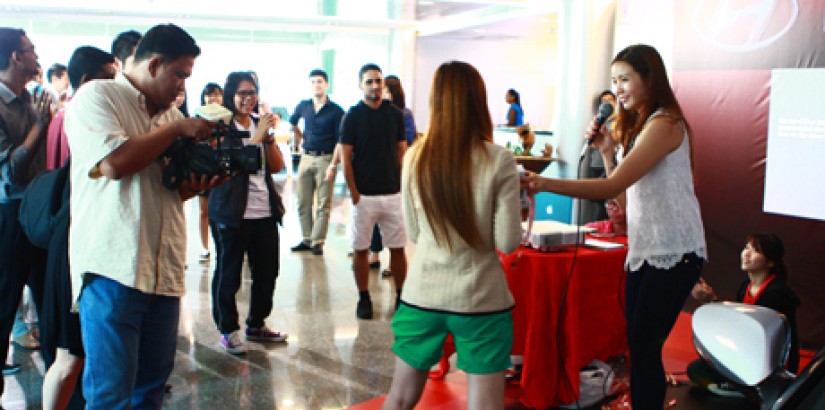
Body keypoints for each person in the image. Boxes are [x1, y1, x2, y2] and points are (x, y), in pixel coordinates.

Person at [524, 44, 708, 410]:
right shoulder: (641, 127)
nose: (618, 88)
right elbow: (622, 201)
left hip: (676, 250)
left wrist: (543, 182)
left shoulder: (665, 124)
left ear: (649, 78)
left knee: (644, 345)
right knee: (639, 346)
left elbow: (609, 187)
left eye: (625, 79)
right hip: (645, 250)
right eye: (614, 80)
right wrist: (608, 153)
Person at [65, 24, 222, 409]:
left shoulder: (170, 114)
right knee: (110, 395)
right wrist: (177, 129)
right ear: (153, 65)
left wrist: (200, 182)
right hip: (114, 270)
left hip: (163, 274)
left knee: (150, 390)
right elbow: (115, 163)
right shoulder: (97, 96)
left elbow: (170, 191)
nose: (183, 85)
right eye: (180, 74)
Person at [382, 60, 521, 410]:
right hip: (481, 299)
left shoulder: (414, 158)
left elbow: (414, 232)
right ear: (479, 101)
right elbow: (507, 242)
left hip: (421, 294)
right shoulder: (498, 159)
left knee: (398, 399)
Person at [40, 45, 117, 410]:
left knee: (75, 354)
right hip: (74, 238)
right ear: (87, 82)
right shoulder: (80, 118)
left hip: (71, 233)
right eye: (110, 79)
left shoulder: (64, 117)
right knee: (70, 355)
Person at [208, 71, 288, 355]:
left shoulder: (259, 124)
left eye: (252, 93)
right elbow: (233, 165)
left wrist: (267, 137)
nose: (247, 98)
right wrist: (256, 137)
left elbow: (275, 166)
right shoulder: (221, 126)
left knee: (267, 271)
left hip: (264, 210)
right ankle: (227, 329)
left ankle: (256, 322)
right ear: (231, 95)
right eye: (241, 93)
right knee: (229, 273)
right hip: (231, 211)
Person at [0, 27, 51, 403]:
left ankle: (62, 383)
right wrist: (39, 127)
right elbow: (9, 170)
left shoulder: (29, 101)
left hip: (35, 213)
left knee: (50, 300)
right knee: (4, 302)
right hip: (7, 215)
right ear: (16, 57)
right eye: (31, 51)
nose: (36, 56)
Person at [688, 232, 800, 397]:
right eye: (746, 248)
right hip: (747, 358)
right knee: (696, 370)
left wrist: (712, 302)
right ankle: (740, 390)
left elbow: (753, 337)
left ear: (770, 262)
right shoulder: (745, 286)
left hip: (767, 367)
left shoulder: (777, 294)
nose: (746, 254)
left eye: (755, 251)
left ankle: (750, 392)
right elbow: (737, 327)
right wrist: (712, 300)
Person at [339, 63, 407, 320]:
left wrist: (403, 187)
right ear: (360, 85)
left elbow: (402, 152)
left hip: (392, 193)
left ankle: (401, 296)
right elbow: (346, 157)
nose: (375, 86)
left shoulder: (395, 115)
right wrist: (354, 192)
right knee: (361, 248)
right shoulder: (352, 116)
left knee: (398, 247)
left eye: (378, 81)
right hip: (364, 195)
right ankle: (364, 297)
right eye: (369, 81)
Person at [289, 68, 345, 256]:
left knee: (323, 203)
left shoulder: (336, 111)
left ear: (326, 85)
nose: (316, 85)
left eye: (320, 81)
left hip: (325, 158)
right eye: (313, 82)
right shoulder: (304, 106)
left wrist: (333, 164)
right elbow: (292, 122)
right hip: (306, 157)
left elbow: (340, 141)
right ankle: (307, 238)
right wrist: (299, 137)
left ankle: (318, 241)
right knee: (303, 201)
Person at [371, 75, 418, 277]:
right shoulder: (375, 113)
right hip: (376, 170)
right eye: (383, 90)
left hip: (396, 171)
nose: (384, 94)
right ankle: (374, 253)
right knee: (373, 212)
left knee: (393, 219)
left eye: (389, 91)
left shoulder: (404, 114)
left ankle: (392, 261)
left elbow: (408, 141)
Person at [195, 82, 223, 261]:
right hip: (203, 167)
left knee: (224, 210)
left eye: (216, 94)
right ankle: (205, 247)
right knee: (203, 211)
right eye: (209, 95)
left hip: (222, 168)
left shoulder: (228, 118)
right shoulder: (197, 117)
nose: (212, 98)